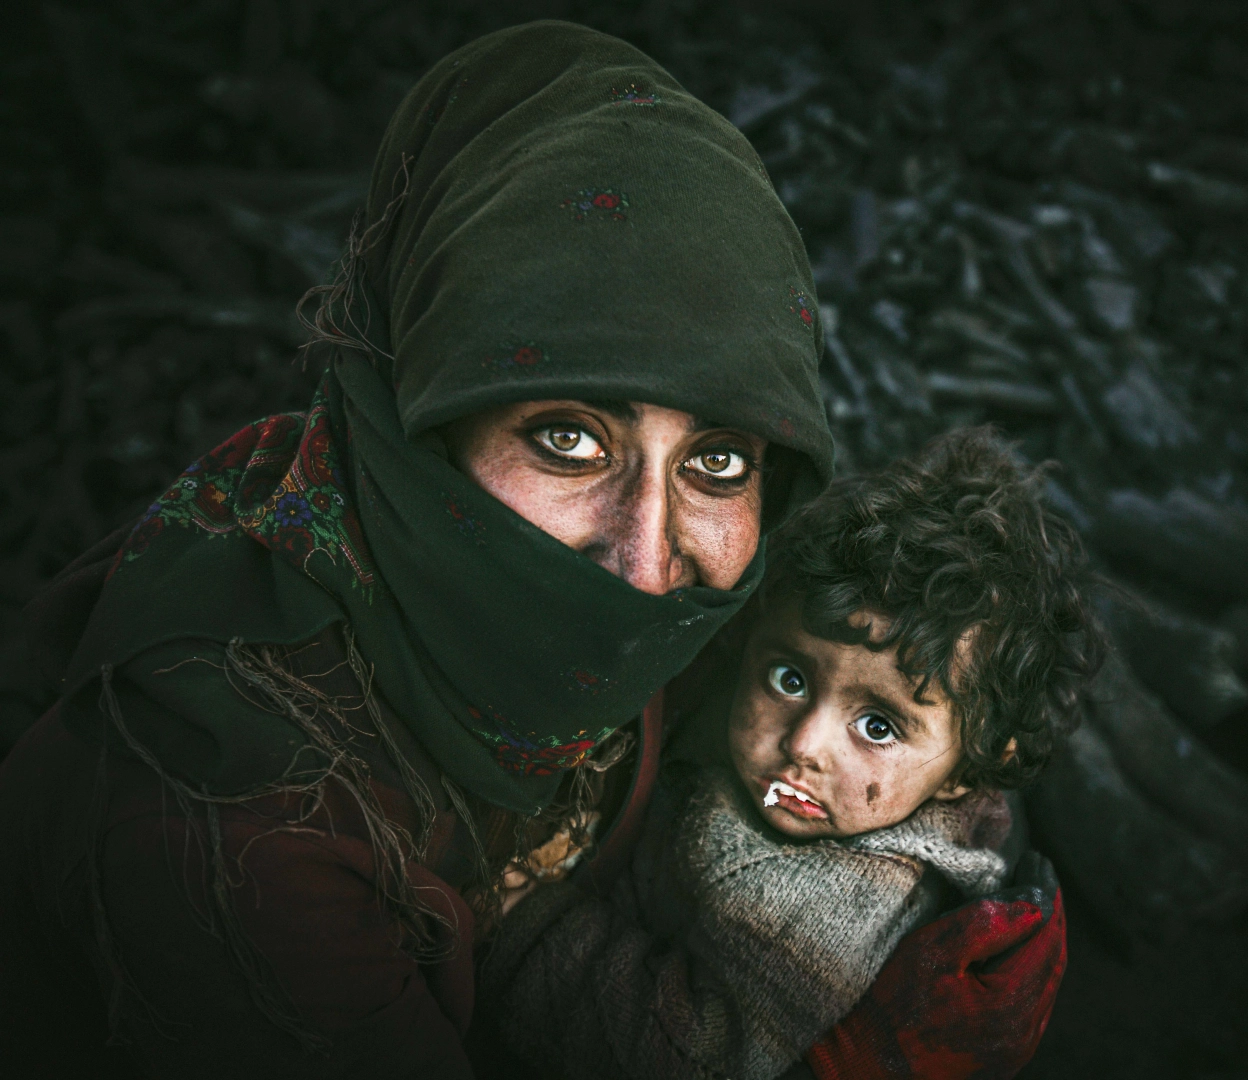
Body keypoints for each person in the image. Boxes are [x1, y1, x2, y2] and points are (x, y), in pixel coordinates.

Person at [0, 21, 1063, 1079]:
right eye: (568, 438)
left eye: (721, 460)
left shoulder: (667, 610)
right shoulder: (243, 847)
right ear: (411, 406)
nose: (647, 565)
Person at [486, 427, 1098, 1080]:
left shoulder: (833, 904)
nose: (804, 745)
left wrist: (525, 924)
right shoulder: (750, 721)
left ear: (969, 770)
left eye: (879, 726)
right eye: (790, 679)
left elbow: (695, 1061)